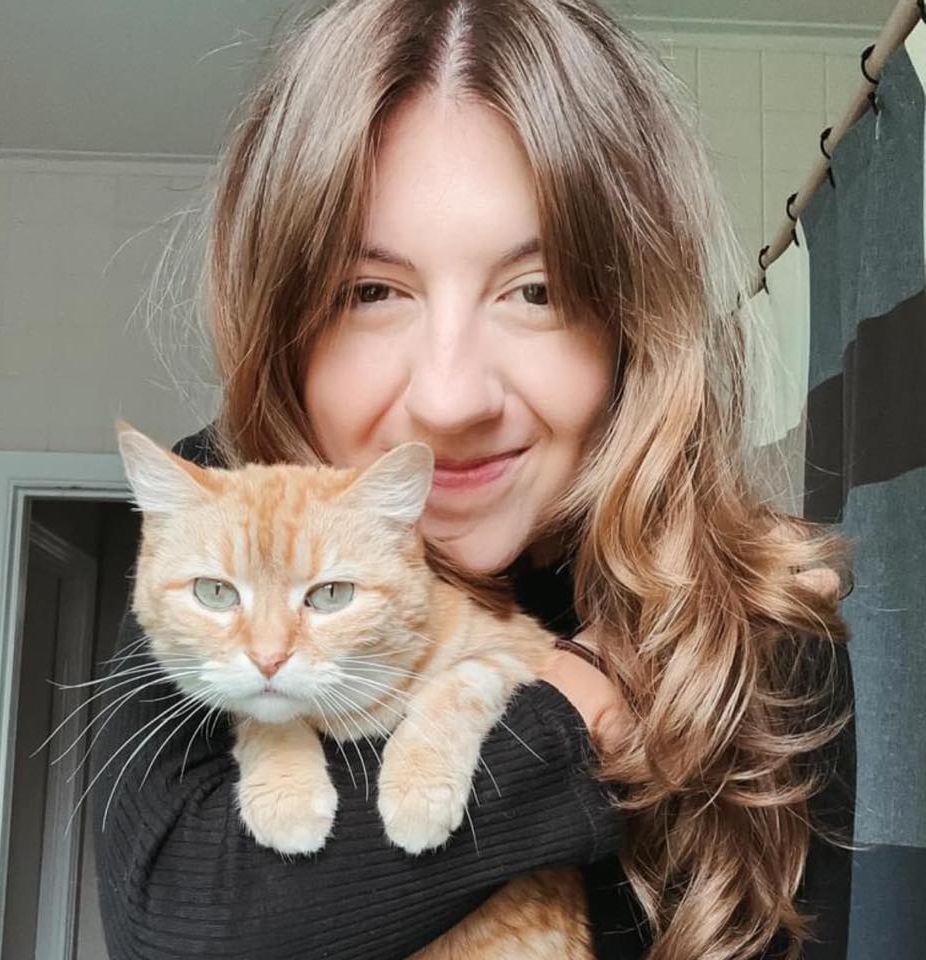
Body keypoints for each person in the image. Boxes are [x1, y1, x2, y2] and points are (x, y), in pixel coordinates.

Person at [92, 1, 856, 958]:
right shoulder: (225, 520)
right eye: (372, 292)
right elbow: (184, 929)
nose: (452, 400)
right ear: (286, 322)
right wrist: (580, 700)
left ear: (633, 324)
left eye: (534, 292)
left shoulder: (764, 626)